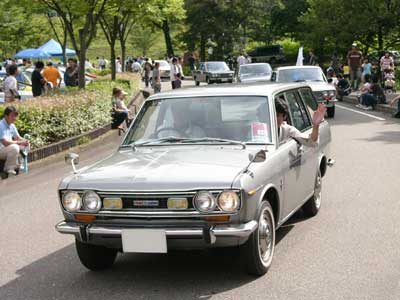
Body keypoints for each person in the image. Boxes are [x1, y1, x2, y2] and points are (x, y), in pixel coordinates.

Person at [0, 106, 29, 176]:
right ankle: (8, 169)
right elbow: (5, 142)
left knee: (26, 144)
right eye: (12, 116)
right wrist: (19, 142)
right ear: (6, 116)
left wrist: (25, 141)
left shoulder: (12, 125)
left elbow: (18, 137)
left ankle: (19, 164)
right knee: (15, 147)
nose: (14, 118)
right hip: (1, 149)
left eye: (15, 116)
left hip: (8, 148)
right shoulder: (0, 125)